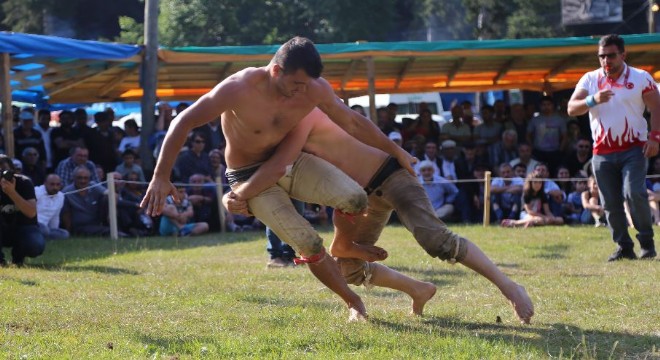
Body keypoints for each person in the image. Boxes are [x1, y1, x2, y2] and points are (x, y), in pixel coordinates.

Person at [141, 36, 416, 321]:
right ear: (276, 71)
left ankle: (344, 245)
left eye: (307, 85)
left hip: (291, 162)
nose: (302, 91)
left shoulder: (314, 88)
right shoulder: (239, 87)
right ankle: (353, 302)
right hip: (246, 172)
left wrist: (396, 150)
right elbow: (182, 121)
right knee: (308, 243)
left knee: (356, 197)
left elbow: (353, 122)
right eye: (296, 84)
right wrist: (161, 176)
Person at [225, 108, 534, 323]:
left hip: (391, 177)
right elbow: (266, 170)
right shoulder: (277, 131)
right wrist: (235, 193)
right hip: (357, 198)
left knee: (435, 239)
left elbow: (356, 125)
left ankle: (510, 288)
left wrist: (397, 151)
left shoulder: (307, 112)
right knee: (348, 268)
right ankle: (418, 289)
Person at [567, 33, 660, 260]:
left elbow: (656, 108)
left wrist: (655, 138)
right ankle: (624, 247)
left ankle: (647, 243)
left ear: (623, 54)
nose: (606, 61)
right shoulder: (590, 79)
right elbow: (572, 108)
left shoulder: (640, 77)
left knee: (634, 193)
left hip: (634, 149)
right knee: (609, 201)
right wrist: (593, 100)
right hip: (602, 153)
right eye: (601, 56)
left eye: (611, 56)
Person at [0, 155, 45, 267]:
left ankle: (18, 257)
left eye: (5, 171)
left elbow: (31, 212)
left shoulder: (24, 183)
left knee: (35, 245)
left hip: (23, 227)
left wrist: (11, 192)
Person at [35, 174, 69, 240]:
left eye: (58, 184)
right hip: (34, 224)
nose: (55, 187)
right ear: (45, 183)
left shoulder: (61, 196)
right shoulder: (36, 192)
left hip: (46, 228)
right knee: (45, 230)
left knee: (65, 234)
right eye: (52, 184)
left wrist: (54, 230)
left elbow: (55, 217)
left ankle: (44, 237)